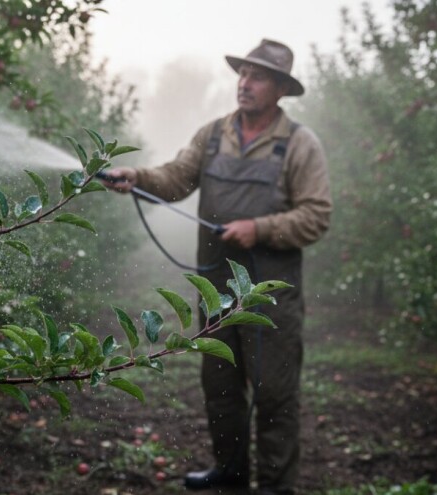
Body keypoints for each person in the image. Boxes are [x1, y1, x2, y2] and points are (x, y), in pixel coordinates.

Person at [102, 39, 332, 494]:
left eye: (258, 77)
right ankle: (230, 471)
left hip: (271, 295)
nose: (244, 84)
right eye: (242, 74)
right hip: (217, 289)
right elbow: (176, 176)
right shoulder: (213, 135)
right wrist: (140, 177)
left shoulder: (299, 145)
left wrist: (260, 228)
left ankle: (274, 485)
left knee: (274, 394)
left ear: (281, 87)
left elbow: (317, 215)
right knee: (220, 385)